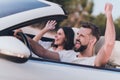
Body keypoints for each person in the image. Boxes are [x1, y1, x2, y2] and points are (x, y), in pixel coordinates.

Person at [25, 3, 115, 67]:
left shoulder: (94, 61)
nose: (77, 38)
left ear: (92, 40)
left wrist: (109, 14)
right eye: (78, 34)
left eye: (82, 36)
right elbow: (43, 52)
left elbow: (109, 43)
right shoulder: (68, 54)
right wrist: (25, 38)